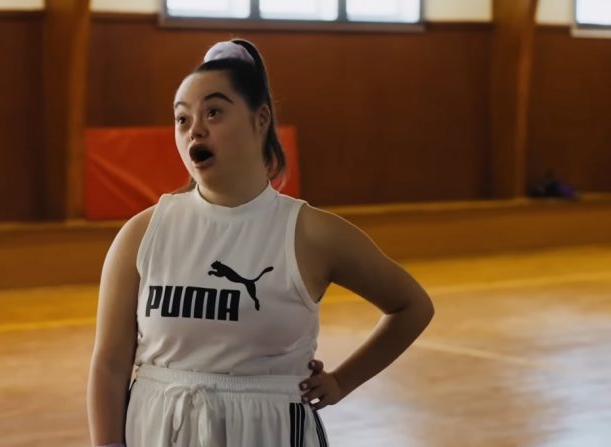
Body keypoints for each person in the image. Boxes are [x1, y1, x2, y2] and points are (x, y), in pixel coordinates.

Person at [87, 39, 435, 447]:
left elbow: (411, 306)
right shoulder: (142, 233)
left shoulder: (312, 233)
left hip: (271, 431)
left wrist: (342, 381)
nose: (195, 129)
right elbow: (109, 365)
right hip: (158, 429)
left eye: (213, 112)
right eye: (182, 118)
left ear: (261, 119)